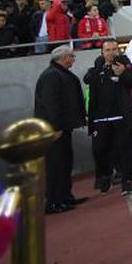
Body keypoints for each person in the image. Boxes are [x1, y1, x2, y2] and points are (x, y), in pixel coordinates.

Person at [33, 45, 87, 215]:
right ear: (64, 58)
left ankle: (65, 196)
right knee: (56, 165)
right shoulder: (52, 76)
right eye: (71, 56)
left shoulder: (59, 74)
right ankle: (54, 201)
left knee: (65, 163)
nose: (73, 59)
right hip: (54, 130)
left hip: (63, 127)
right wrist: (55, 128)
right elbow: (51, 104)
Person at [85, 43, 132, 194]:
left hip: (121, 117)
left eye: (114, 49)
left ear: (118, 50)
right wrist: (99, 70)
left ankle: (126, 181)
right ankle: (105, 175)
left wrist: (123, 73)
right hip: (100, 119)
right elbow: (87, 79)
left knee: (124, 150)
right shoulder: (97, 68)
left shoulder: (127, 66)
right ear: (102, 53)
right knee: (99, 150)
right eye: (107, 50)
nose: (111, 52)